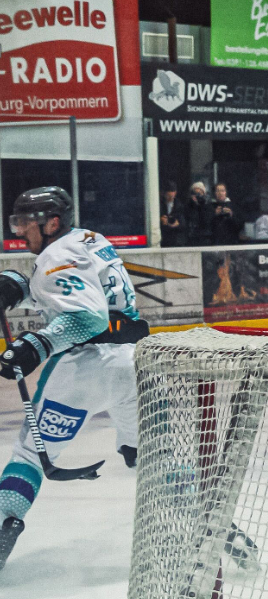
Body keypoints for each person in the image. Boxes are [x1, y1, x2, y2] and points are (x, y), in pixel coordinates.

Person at [0, 187, 148, 570]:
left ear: (51, 223)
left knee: (30, 455)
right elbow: (89, 295)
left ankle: (3, 520)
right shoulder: (90, 239)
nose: (20, 232)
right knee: (147, 455)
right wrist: (21, 288)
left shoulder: (54, 256)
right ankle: (212, 524)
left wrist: (35, 345)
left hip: (85, 369)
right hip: (136, 364)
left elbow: (88, 318)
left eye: (26, 223)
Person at [181, 181, 213, 247]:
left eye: (199, 193)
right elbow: (189, 218)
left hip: (205, 238)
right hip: (192, 238)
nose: (197, 196)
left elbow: (207, 221)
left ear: (203, 194)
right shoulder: (188, 206)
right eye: (195, 193)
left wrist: (202, 205)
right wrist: (194, 204)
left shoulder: (208, 205)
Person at [158, 183, 183, 247]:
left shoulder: (179, 205)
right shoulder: (159, 205)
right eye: (168, 196)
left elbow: (184, 223)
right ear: (164, 194)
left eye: (172, 196)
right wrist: (160, 220)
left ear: (175, 193)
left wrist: (178, 224)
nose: (170, 198)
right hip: (163, 239)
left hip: (176, 240)